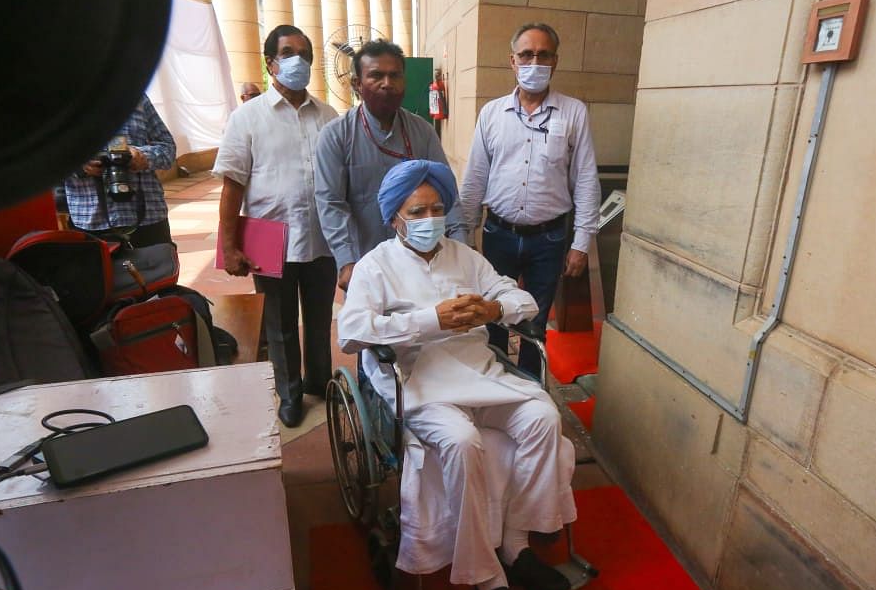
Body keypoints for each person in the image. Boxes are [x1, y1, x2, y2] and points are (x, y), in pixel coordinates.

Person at [338, 159, 576, 590]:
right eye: (418, 210)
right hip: (420, 381)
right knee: (463, 442)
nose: (430, 218)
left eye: (438, 208)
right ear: (395, 219)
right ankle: (489, 582)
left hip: (478, 372)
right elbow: (353, 333)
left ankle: (515, 545)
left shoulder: (466, 257)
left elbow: (522, 300)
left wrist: (493, 309)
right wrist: (430, 320)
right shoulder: (375, 267)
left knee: (543, 417)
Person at [214, 25, 339, 427]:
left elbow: (340, 180)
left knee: (320, 319)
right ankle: (289, 393)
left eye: (305, 53)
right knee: (279, 324)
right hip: (270, 242)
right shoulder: (247, 119)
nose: (298, 61)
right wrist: (229, 245)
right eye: (289, 53)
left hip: (321, 238)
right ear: (271, 63)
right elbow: (233, 185)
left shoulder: (329, 116)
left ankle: (320, 380)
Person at [460, 23, 600, 376]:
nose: (534, 61)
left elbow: (585, 179)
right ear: (512, 61)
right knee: (491, 316)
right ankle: (493, 384)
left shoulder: (574, 113)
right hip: (498, 234)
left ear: (555, 61)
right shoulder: (491, 114)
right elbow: (475, 177)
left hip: (549, 240)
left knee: (534, 322)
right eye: (526, 54)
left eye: (543, 54)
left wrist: (581, 243)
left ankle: (528, 390)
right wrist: (463, 236)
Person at [315, 39, 470, 292]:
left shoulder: (422, 131)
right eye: (376, 76)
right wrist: (346, 261)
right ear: (357, 84)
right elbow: (331, 203)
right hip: (366, 264)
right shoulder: (336, 136)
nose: (387, 83)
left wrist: (462, 248)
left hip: (422, 261)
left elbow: (447, 193)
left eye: (394, 75)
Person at [61, 94, 176, 247]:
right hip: (90, 221)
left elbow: (168, 148)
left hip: (148, 216)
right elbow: (44, 160)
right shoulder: (60, 104)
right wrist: (79, 164)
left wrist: (143, 157)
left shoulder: (137, 96)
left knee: (158, 269)